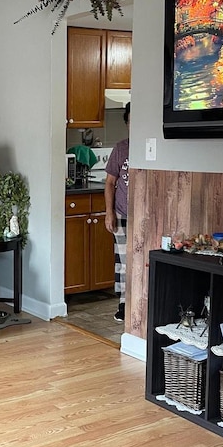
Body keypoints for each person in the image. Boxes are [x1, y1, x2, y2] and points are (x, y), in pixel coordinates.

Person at [104, 102, 130, 322]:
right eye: (131, 122)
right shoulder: (121, 148)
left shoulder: (152, 147)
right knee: (123, 261)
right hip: (122, 214)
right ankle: (123, 304)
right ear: (127, 123)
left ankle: (137, 303)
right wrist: (109, 212)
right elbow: (110, 183)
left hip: (144, 216)